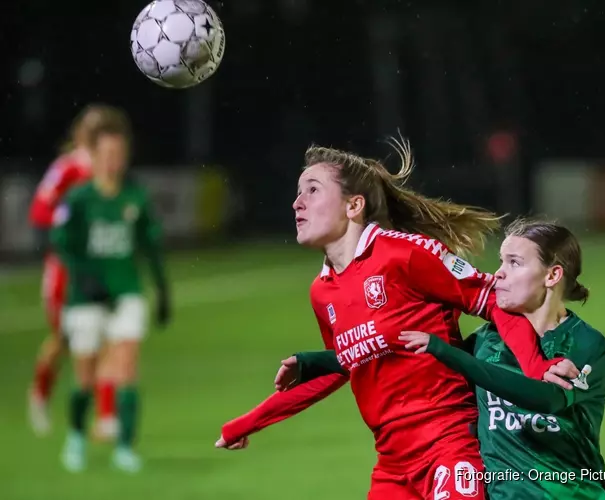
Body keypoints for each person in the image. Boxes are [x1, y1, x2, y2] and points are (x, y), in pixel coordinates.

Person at [216, 139, 578, 499]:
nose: (297, 203)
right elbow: (344, 365)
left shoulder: (403, 254)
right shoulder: (322, 291)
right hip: (392, 465)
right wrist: (247, 423)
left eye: (312, 190)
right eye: (298, 192)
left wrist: (536, 367)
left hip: (448, 447)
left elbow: (494, 301)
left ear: (354, 205)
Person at [398, 218, 605, 498]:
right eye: (501, 261)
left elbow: (547, 399)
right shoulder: (486, 340)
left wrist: (448, 352)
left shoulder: (586, 344)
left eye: (514, 263)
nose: (498, 274)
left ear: (552, 275)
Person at [50, 107, 171, 473]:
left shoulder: (135, 197)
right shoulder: (79, 199)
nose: (113, 161)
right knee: (85, 374)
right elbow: (62, 243)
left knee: (127, 367)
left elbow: (151, 247)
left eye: (119, 154)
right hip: (86, 299)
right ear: (95, 157)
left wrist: (163, 291)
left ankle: (125, 447)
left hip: (126, 293)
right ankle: (75, 439)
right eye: (107, 155)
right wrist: (84, 278)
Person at [28, 104, 122, 440]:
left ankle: (107, 417)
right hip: (66, 273)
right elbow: (40, 208)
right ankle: (39, 395)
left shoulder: (109, 168)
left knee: (109, 340)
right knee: (64, 341)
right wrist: (69, 222)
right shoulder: (67, 168)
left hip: (102, 270)